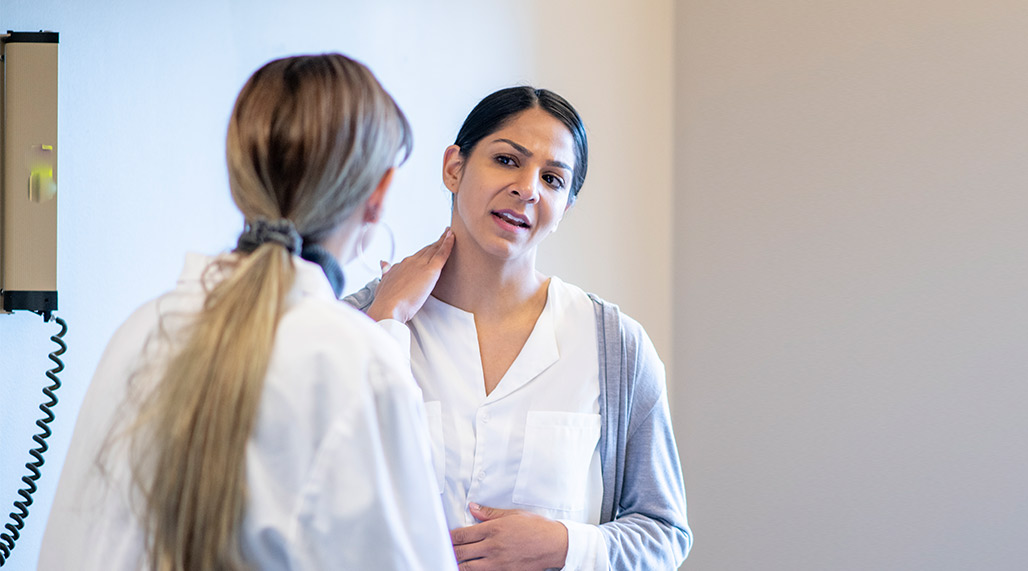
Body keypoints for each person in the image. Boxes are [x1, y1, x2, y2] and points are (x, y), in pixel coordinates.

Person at [39, 54, 455, 570]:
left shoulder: (145, 329)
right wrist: (385, 327)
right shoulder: (357, 362)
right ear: (379, 196)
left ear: (240, 176)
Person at [346, 86, 690, 570]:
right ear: (454, 167)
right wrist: (383, 323)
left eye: (552, 178)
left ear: (566, 204)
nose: (528, 188)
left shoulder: (616, 347)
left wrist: (565, 546)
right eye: (508, 160)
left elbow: (665, 534)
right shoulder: (356, 321)